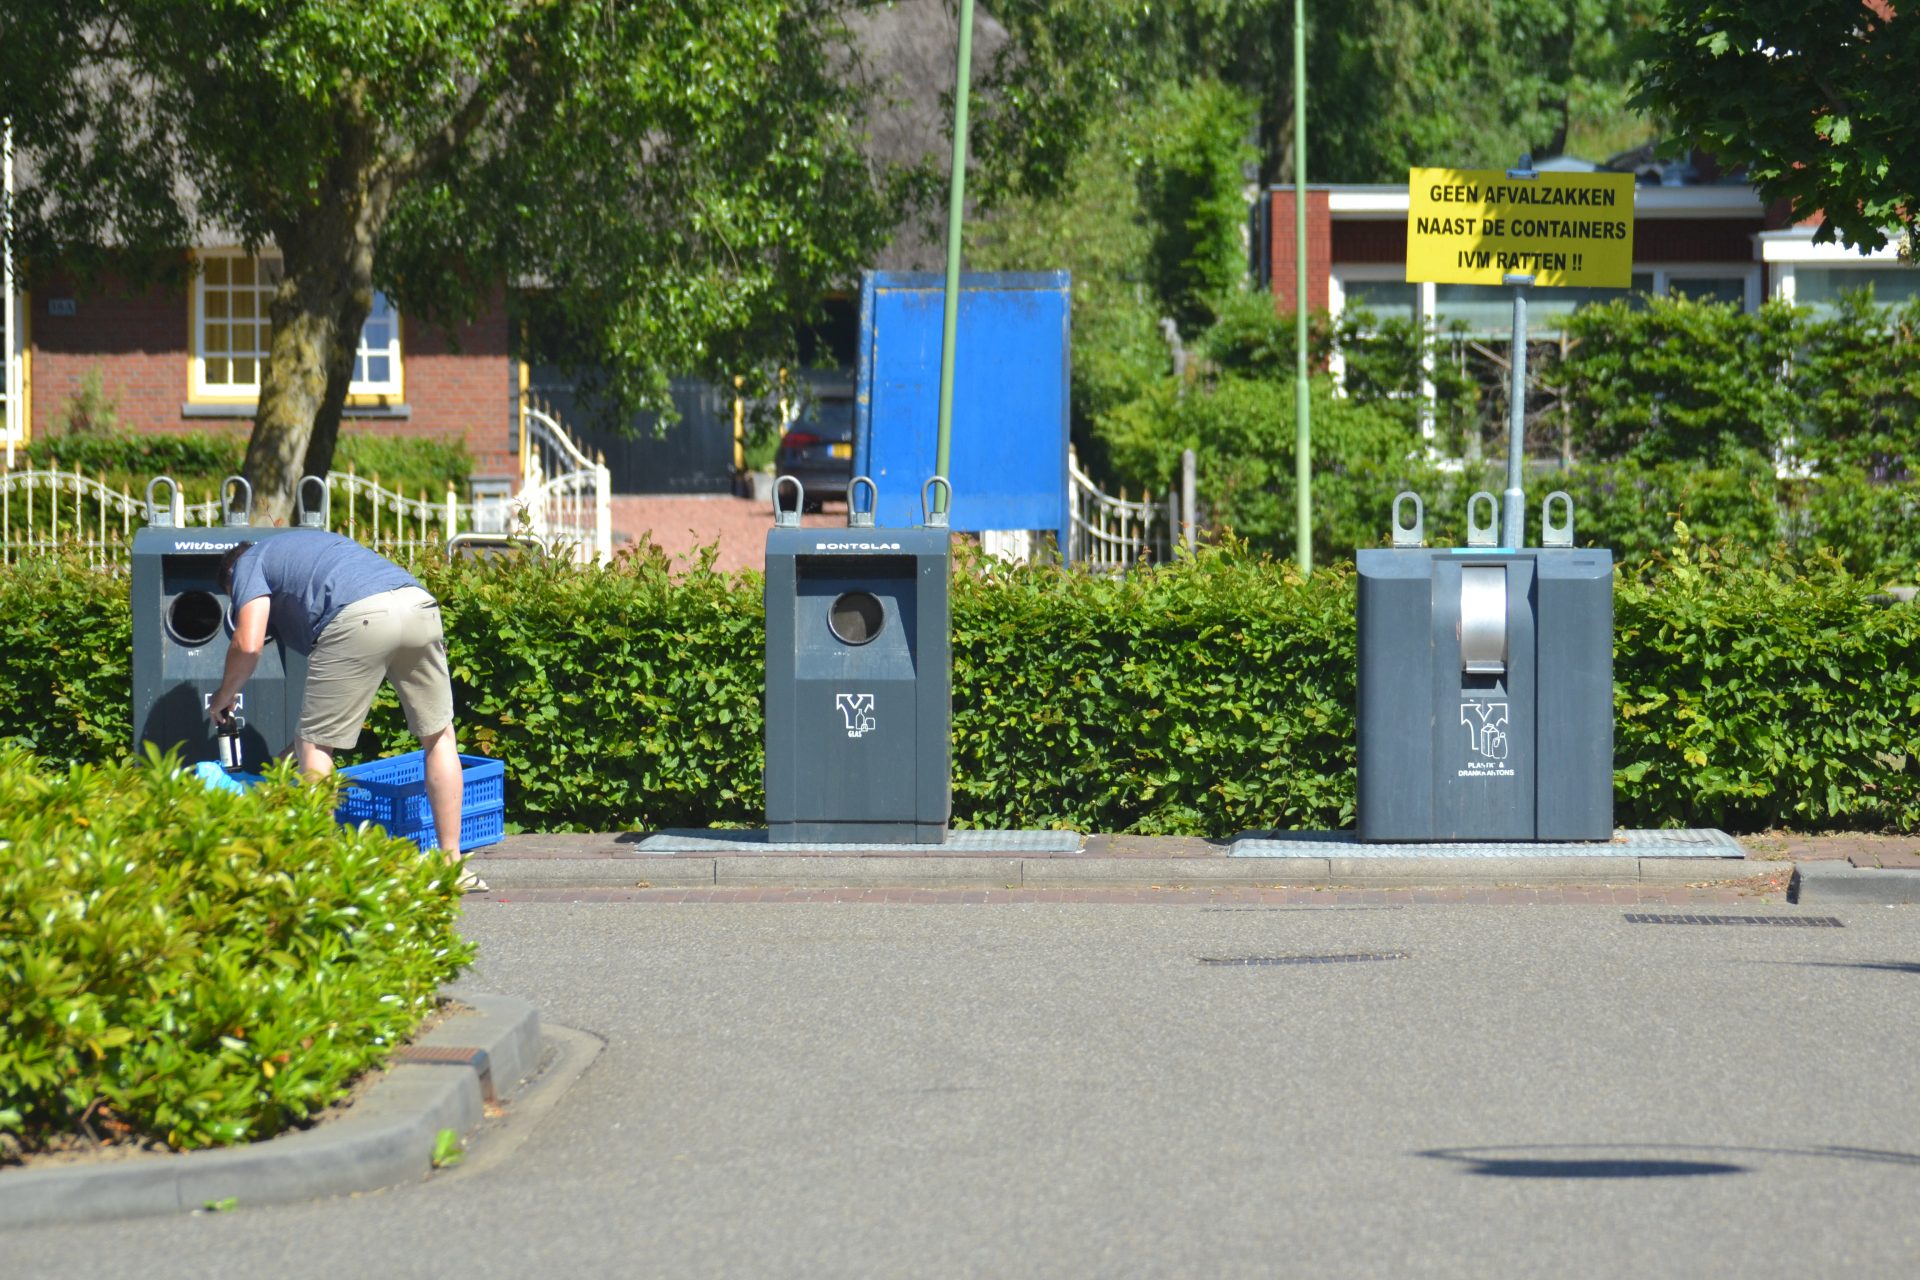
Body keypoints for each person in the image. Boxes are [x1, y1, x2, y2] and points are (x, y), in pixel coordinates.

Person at [210, 529, 482, 891]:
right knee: (439, 736)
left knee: (315, 746)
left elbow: (249, 642)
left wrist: (224, 696)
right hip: (418, 605)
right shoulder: (304, 546)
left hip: (357, 616)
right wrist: (283, 761)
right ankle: (453, 865)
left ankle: (317, 867)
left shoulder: (246, 563)